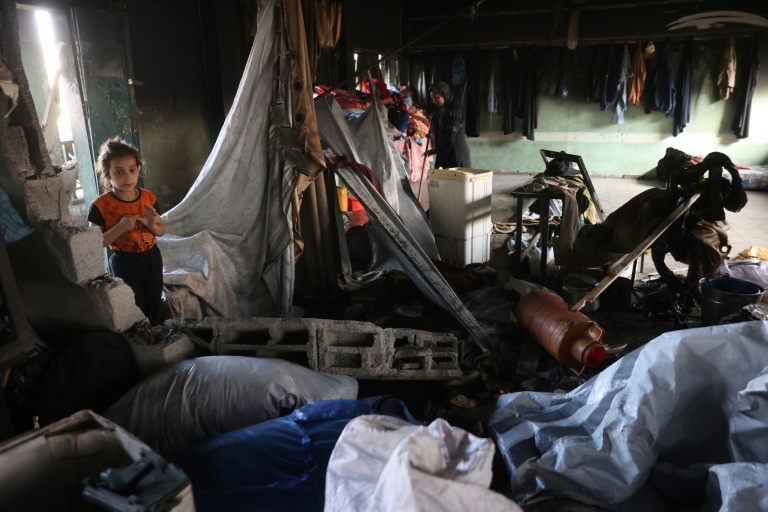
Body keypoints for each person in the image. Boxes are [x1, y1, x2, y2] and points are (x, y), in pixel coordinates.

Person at [87, 137, 166, 325]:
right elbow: (95, 243)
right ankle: (140, 337)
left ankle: (156, 334)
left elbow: (161, 231)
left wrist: (151, 224)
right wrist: (121, 227)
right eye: (119, 172)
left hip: (152, 257)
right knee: (134, 305)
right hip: (124, 261)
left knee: (154, 303)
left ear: (138, 169)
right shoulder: (100, 205)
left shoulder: (148, 197)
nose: (128, 177)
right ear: (108, 174)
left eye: (132, 170)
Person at [427, 81, 471, 169]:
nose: (434, 101)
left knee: (453, 177)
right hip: (447, 152)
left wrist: (437, 150)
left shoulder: (454, 110)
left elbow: (450, 136)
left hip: (455, 152)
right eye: (432, 98)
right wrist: (437, 119)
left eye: (436, 98)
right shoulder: (445, 108)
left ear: (444, 94)